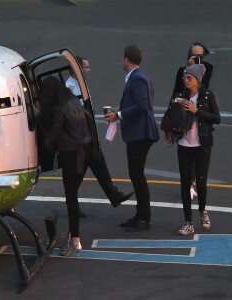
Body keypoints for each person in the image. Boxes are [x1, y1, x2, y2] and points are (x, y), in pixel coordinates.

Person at [65, 56, 133, 213]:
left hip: (88, 136)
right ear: (77, 69)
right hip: (81, 138)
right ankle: (73, 204)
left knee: (97, 164)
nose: (88, 70)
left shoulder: (79, 85)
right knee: (82, 171)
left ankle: (113, 195)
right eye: (86, 67)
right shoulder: (70, 88)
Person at [37, 76, 94, 255]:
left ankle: (74, 239)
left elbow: (52, 136)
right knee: (73, 197)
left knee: (71, 199)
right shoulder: (73, 103)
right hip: (82, 153)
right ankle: (73, 237)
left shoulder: (59, 110)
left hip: (70, 157)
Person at [105, 45, 160, 232]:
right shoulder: (139, 78)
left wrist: (118, 115)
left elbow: (142, 105)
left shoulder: (137, 79)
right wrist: (119, 111)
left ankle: (144, 217)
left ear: (126, 59)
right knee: (136, 174)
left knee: (137, 175)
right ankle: (141, 215)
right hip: (139, 133)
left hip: (140, 133)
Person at [174, 64, 220, 235]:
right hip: (184, 145)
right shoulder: (180, 96)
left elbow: (217, 118)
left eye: (189, 78)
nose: (185, 81)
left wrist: (196, 111)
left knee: (201, 181)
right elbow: (173, 117)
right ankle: (188, 221)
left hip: (202, 144)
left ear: (198, 80)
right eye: (184, 78)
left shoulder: (208, 96)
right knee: (185, 183)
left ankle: (202, 210)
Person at [172, 41, 213, 200]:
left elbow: (205, 85)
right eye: (193, 55)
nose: (196, 58)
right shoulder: (182, 71)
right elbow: (176, 91)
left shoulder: (207, 69)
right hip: (184, 113)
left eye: (199, 56)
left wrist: (196, 68)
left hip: (200, 112)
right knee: (186, 151)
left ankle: (194, 181)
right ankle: (188, 184)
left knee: (199, 152)